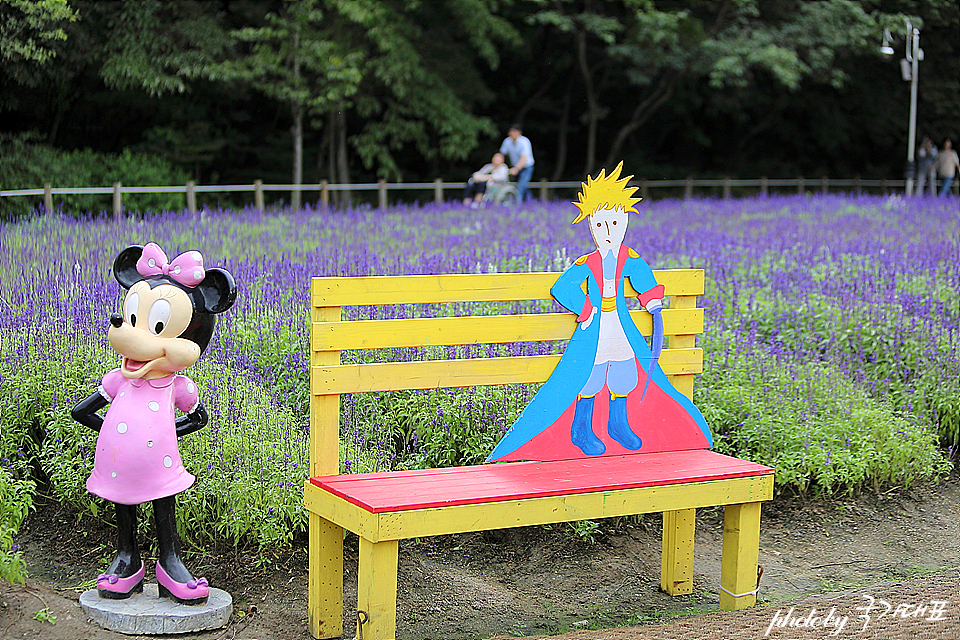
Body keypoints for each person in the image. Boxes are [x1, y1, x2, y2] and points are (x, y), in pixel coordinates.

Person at [486, 162, 711, 463]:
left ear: (625, 222)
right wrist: (585, 306)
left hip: (619, 325)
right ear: (591, 224)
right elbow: (563, 287)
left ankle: (617, 425)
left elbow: (643, 275)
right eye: (602, 224)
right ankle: (581, 429)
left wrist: (651, 298)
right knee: (590, 376)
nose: (609, 231)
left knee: (624, 371)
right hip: (594, 328)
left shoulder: (628, 257)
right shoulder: (586, 262)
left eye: (615, 224)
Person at [499, 124, 535, 202]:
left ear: (518, 132)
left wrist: (516, 168)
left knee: (521, 186)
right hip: (515, 166)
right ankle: (531, 203)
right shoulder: (507, 141)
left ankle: (517, 205)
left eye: (513, 131)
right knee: (524, 185)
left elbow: (524, 158)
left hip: (526, 167)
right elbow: (502, 154)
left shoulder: (524, 142)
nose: (510, 134)